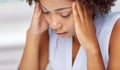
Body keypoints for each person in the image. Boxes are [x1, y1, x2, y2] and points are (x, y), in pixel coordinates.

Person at [18, 0, 120, 70]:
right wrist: (32, 36)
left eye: (65, 14)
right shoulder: (48, 30)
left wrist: (91, 48)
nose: (54, 24)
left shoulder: (115, 30)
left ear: (89, 4)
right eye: (46, 11)